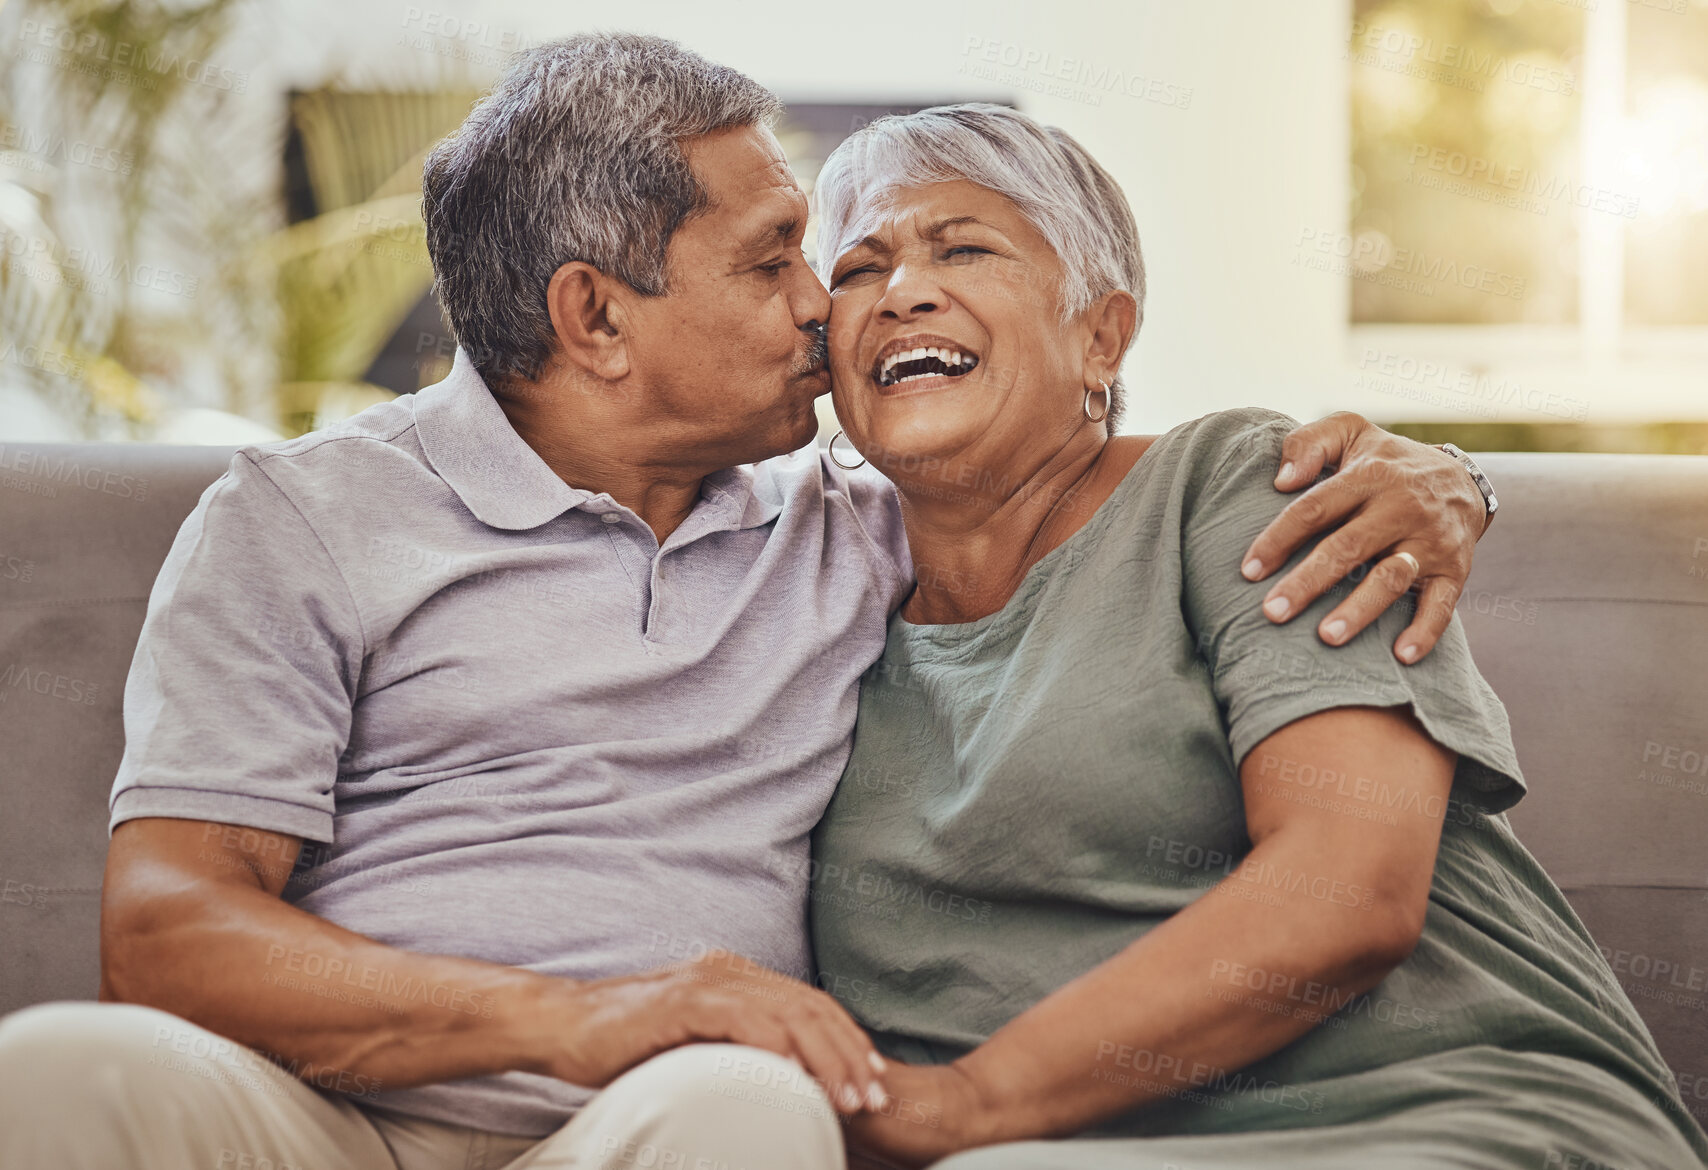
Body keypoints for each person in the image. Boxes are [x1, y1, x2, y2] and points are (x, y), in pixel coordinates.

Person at [0, 35, 1496, 1170]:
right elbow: (173, 928)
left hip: (661, 1122)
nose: (823, 308)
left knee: (743, 1105)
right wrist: (585, 1012)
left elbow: (1078, 481)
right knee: (55, 1068)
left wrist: (1433, 471)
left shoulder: (852, 527)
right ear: (593, 317)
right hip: (320, 1117)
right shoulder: (301, 518)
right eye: (778, 259)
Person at [804, 103, 1708, 1169]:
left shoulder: (1239, 484)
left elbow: (1346, 893)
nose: (903, 289)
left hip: (1441, 1116)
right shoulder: (807, 601)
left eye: (965, 247)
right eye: (859, 270)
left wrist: (963, 1105)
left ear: (1101, 334)